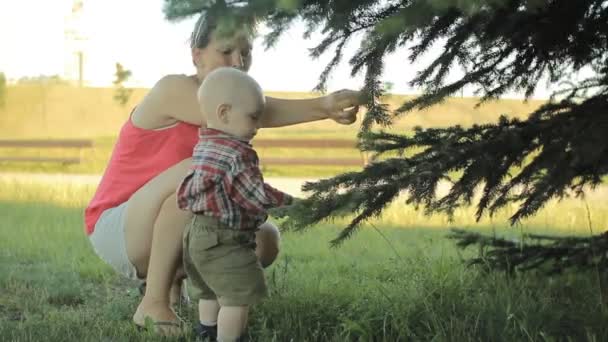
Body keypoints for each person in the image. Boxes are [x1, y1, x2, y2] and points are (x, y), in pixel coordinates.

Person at [84, 12, 362, 335]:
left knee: (264, 238)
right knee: (200, 174)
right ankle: (153, 301)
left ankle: (195, 291)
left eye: (245, 53)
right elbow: (255, 110)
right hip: (118, 226)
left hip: (171, 212)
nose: (238, 62)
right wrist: (322, 107)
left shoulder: (229, 116)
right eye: (226, 51)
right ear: (197, 56)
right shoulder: (173, 90)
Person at [179, 67, 293, 342]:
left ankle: (206, 332)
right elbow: (255, 194)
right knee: (235, 299)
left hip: (196, 234)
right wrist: (291, 203)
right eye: (253, 117)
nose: (257, 126)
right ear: (224, 113)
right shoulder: (238, 153)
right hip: (224, 238)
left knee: (209, 289)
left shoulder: (205, 144)